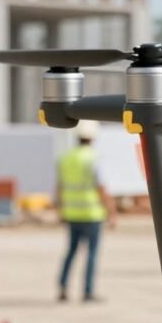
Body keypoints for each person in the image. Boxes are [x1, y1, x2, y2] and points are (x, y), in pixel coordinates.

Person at [56, 120, 116, 303]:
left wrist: (61, 210)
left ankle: (63, 287)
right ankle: (88, 291)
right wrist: (112, 212)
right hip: (92, 213)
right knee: (91, 253)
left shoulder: (66, 158)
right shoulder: (94, 158)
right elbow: (101, 188)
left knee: (71, 251)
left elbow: (59, 187)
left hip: (72, 213)